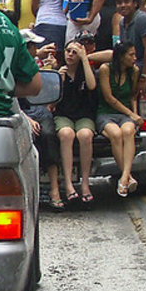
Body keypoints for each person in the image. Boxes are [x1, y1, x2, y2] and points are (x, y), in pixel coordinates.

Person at [53, 39, 98, 208]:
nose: (70, 55)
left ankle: (85, 184)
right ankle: (68, 184)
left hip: (83, 115)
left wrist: (84, 58)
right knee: (66, 134)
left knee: (85, 135)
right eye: (68, 51)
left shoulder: (85, 71)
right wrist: (60, 81)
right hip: (64, 115)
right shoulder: (59, 72)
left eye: (74, 52)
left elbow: (92, 86)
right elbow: (52, 104)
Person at [19, 30, 61, 209]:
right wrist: (26, 118)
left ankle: (54, 189)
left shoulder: (39, 64)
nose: (36, 49)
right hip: (23, 112)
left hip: (41, 111)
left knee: (49, 134)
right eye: (33, 46)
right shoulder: (14, 67)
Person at [96, 41, 142, 197]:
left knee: (128, 131)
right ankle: (128, 177)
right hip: (106, 113)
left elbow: (133, 95)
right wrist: (131, 114)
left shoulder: (134, 71)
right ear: (121, 57)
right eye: (131, 55)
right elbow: (109, 98)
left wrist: (134, 115)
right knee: (115, 134)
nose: (134, 58)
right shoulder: (105, 69)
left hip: (125, 114)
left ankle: (123, 178)